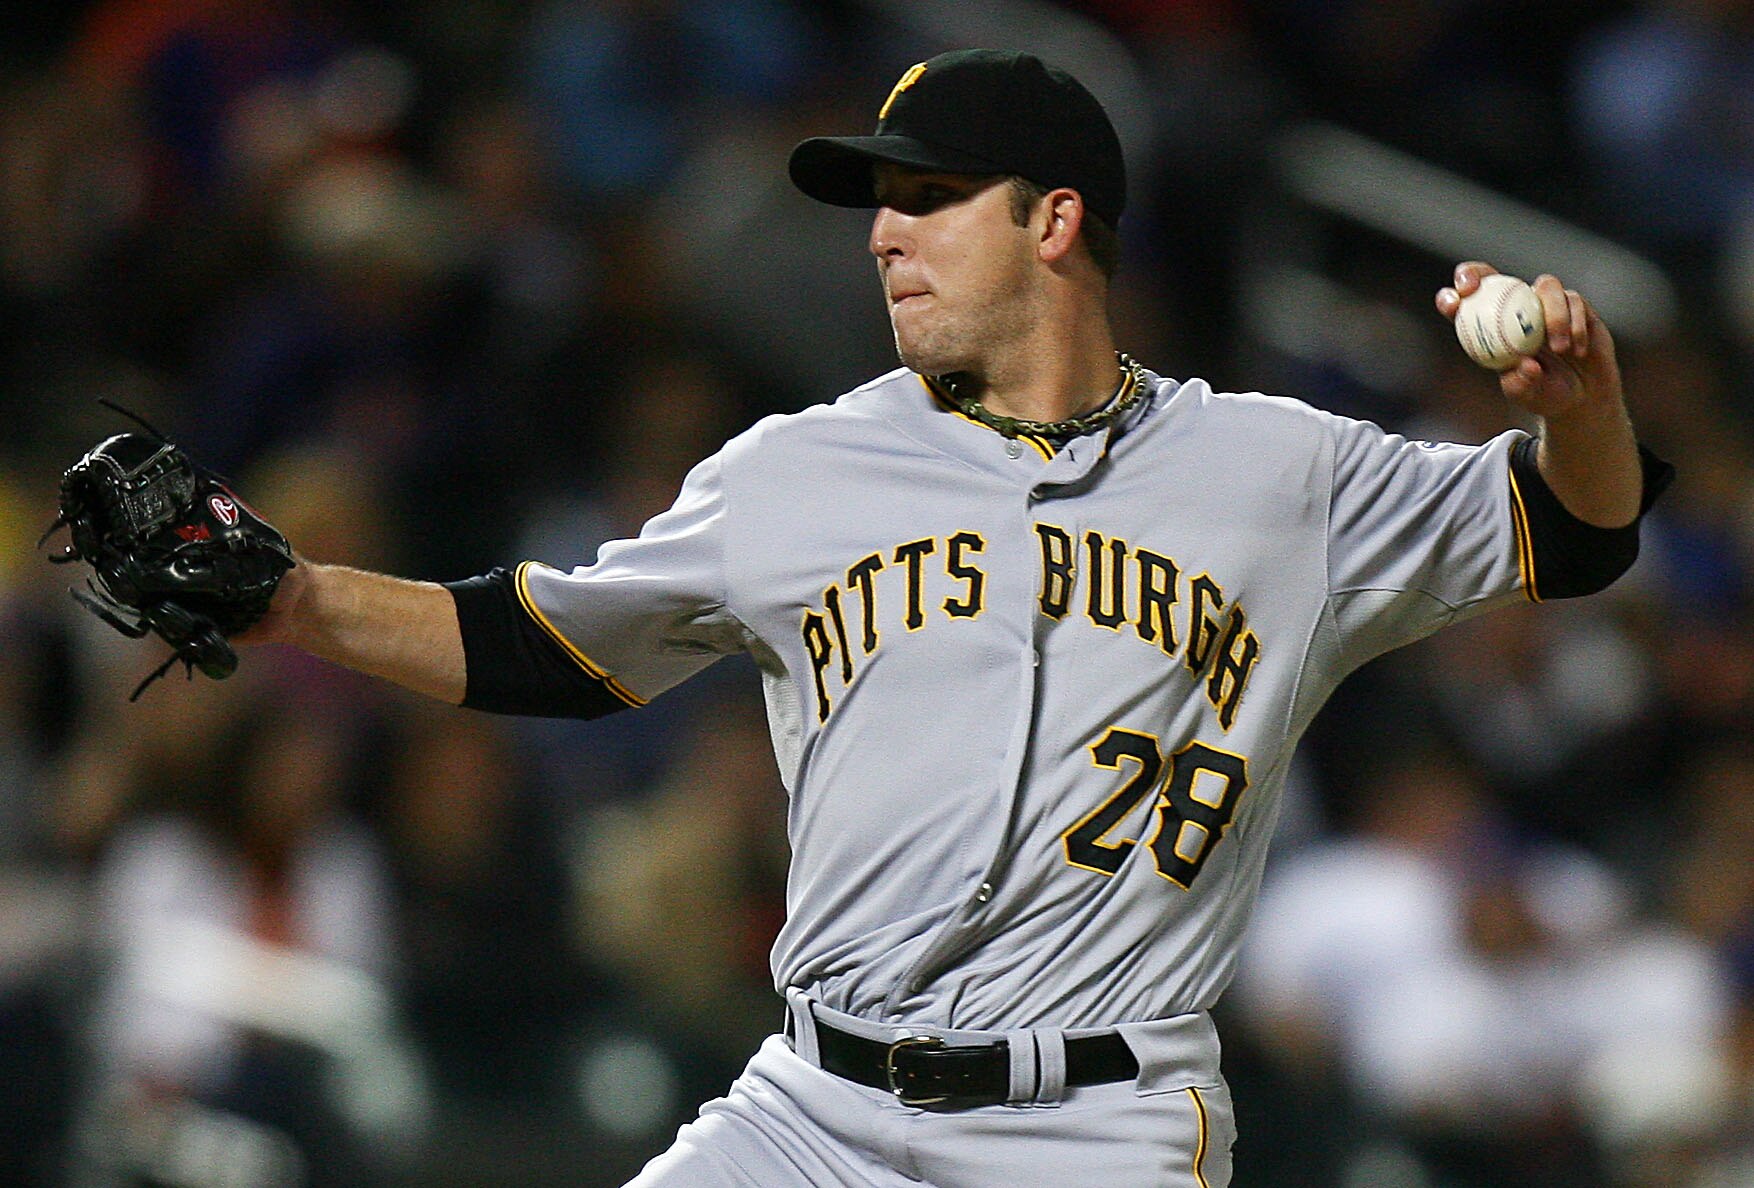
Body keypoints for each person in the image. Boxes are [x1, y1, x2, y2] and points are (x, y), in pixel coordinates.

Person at [240, 48, 1671, 1188]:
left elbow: (1576, 529)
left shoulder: (1281, 474)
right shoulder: (794, 470)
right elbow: (541, 645)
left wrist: (1584, 407)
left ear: (1052, 220)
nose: (881, 235)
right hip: (810, 1113)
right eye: (878, 200)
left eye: (926, 198)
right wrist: (298, 597)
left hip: (1095, 1128)